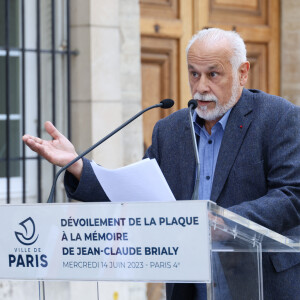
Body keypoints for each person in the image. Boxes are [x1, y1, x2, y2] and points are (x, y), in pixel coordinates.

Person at [23, 28, 300, 299]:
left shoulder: (278, 118)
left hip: (260, 286)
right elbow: (133, 195)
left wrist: (227, 223)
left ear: (242, 72)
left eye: (213, 74)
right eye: (194, 73)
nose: (201, 86)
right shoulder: (170, 131)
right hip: (192, 288)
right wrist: (78, 166)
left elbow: (292, 195)